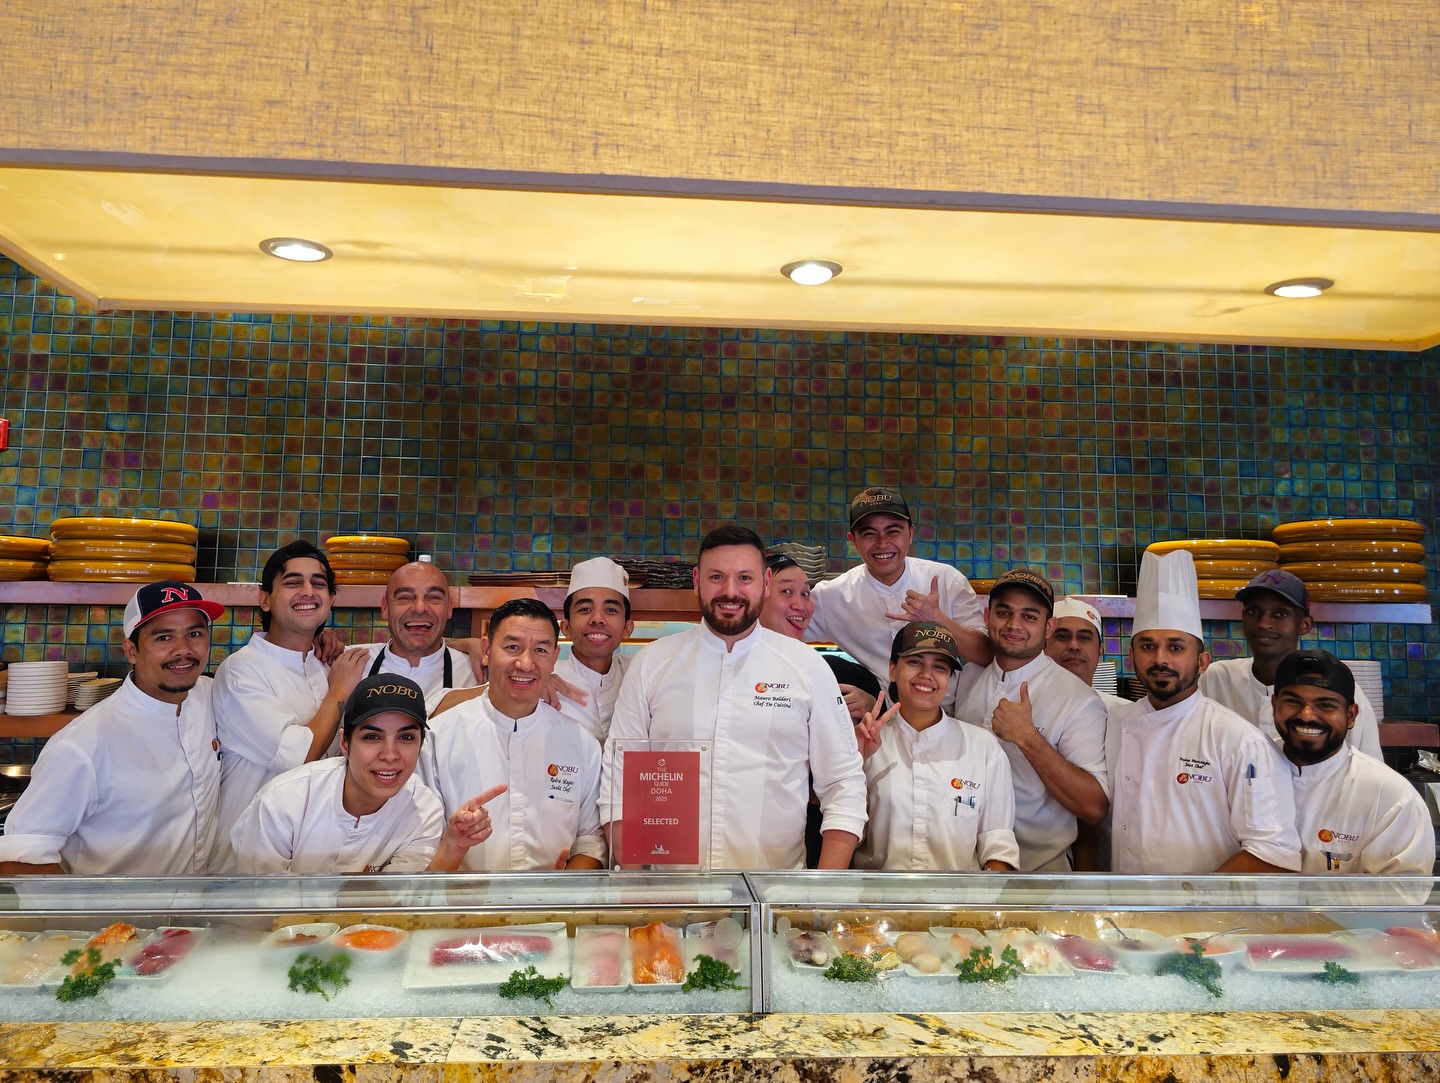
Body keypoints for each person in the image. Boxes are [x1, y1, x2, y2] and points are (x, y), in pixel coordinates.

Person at [602, 525, 868, 869]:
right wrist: (638, 887)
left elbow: (843, 783)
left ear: (765, 582)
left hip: (774, 889)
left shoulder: (806, 666)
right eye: (716, 577)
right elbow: (621, 781)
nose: (730, 591)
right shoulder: (652, 662)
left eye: (744, 578)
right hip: (673, 886)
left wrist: (822, 889)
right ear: (696, 580)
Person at [0, 581, 225, 875]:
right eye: (163, 637)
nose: (183, 650)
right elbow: (21, 857)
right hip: (111, 905)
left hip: (194, 901)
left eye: (194, 634)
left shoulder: (211, 696)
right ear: (131, 650)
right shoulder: (81, 745)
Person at [1106, 550, 1301, 874]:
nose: (1160, 659)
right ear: (1131, 657)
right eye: (1148, 646)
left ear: (1202, 662)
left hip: (1206, 906)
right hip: (1126, 902)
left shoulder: (1240, 741)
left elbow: (1273, 853)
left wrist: (1195, 896)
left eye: (1176, 647)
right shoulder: (1113, 724)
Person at [229, 674, 501, 874]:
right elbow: (260, 903)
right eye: (372, 737)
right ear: (345, 743)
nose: (390, 755)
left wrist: (454, 846)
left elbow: (402, 901)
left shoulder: (423, 811)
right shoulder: (283, 802)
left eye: (406, 737)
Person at [211, 541, 373, 870]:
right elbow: (299, 757)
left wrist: (468, 646)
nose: (307, 591)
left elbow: (405, 652)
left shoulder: (328, 662)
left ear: (331, 600)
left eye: (318, 583)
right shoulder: (242, 671)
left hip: (316, 858)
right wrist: (340, 690)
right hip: (249, 864)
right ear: (265, 599)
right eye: (293, 582)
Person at [420, 598, 606, 870]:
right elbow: (420, 844)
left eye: (540, 650)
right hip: (461, 896)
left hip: (553, 896)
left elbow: (590, 839)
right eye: (512, 647)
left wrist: (567, 882)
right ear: (486, 650)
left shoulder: (581, 743)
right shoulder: (439, 736)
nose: (525, 663)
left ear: (554, 658)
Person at [950, 569, 1109, 871]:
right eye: (1004, 613)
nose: (1014, 624)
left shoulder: (1078, 699)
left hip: (1038, 872)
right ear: (987, 616)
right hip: (962, 867)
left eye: (1029, 616)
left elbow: (1093, 806)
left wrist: (1028, 738)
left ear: (1048, 627)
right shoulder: (968, 677)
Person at [852, 622, 1018, 871]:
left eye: (939, 667)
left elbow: (998, 844)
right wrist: (853, 762)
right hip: (880, 894)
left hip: (960, 895)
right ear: (893, 670)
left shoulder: (982, 747)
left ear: (949, 679)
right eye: (915, 662)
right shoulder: (867, 743)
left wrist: (987, 896)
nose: (926, 675)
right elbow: (847, 830)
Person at [807, 487, 990, 705]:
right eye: (869, 534)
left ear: (910, 533)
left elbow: (986, 654)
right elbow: (779, 629)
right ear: (853, 540)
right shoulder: (831, 596)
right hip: (880, 711)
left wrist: (937, 619)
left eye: (893, 531)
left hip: (950, 710)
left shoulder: (946, 579)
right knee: (829, 665)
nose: (882, 543)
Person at [759, 550, 882, 867]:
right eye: (787, 591)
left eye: (806, 593)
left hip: (822, 838)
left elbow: (854, 776)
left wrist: (871, 707)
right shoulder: (726, 674)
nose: (801, 604)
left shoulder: (837, 673)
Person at [1273, 650, 1434, 875]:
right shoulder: (1243, 769)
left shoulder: (1391, 795)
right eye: (1293, 701)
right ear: (1274, 705)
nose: (1307, 715)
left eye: (1326, 705)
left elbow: (1403, 890)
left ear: (1351, 715)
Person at [1199, 569, 1382, 760]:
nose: (1263, 623)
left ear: (1304, 625)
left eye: (1279, 614)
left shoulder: (1341, 692)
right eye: (1254, 611)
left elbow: (1369, 767)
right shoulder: (1216, 678)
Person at [357, 560, 477, 712]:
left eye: (434, 597)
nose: (420, 608)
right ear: (385, 607)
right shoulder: (350, 664)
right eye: (405, 597)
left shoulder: (477, 672)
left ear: (449, 607)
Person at [551, 557, 635, 745]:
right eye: (585, 609)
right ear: (566, 628)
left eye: (611, 610)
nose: (597, 619)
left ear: (627, 629)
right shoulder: (544, 678)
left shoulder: (640, 673)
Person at [1045, 597, 1130, 712]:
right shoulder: (1023, 708)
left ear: (1100, 651)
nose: (1074, 646)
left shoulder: (1122, 714)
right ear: (1043, 647)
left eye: (1084, 637)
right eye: (1062, 636)